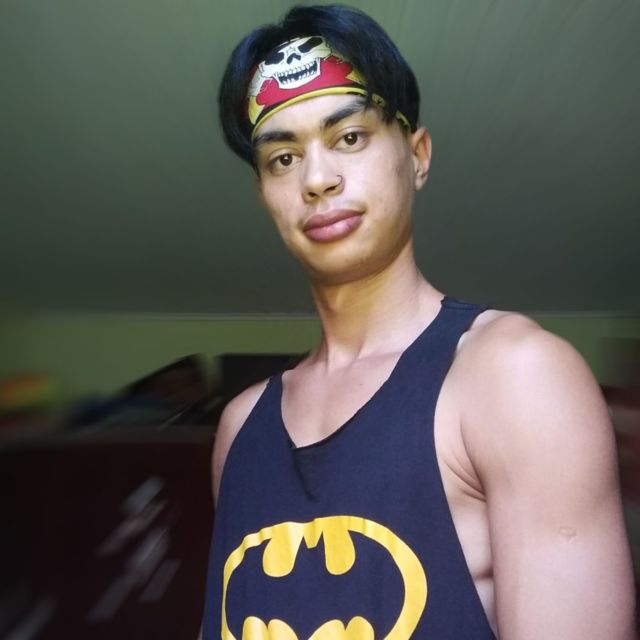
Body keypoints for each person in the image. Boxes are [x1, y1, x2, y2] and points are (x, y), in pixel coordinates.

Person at [202, 5, 635, 639]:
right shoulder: (240, 429)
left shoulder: (513, 377)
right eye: (283, 158)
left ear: (417, 155)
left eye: (350, 137)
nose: (317, 179)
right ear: (264, 194)